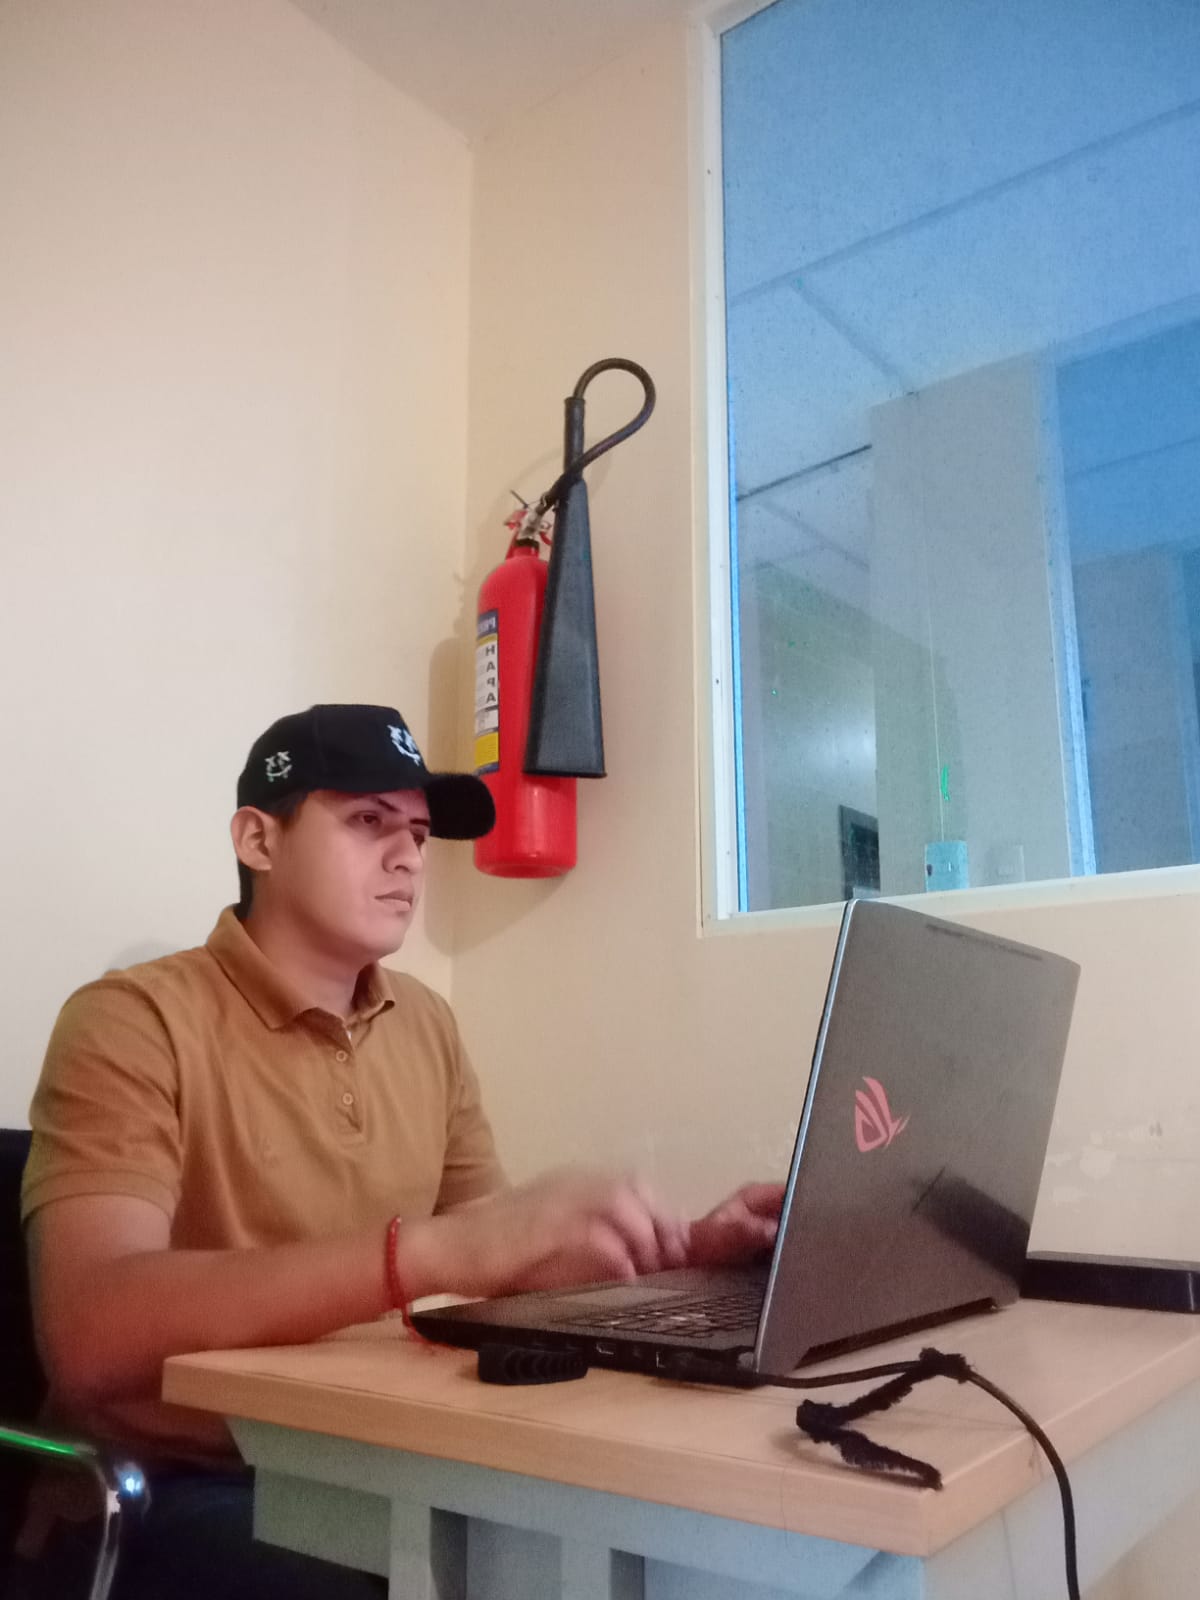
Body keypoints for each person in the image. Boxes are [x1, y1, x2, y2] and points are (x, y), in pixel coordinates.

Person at [7, 703, 783, 1600]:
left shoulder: (425, 1023)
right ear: (258, 839)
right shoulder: (131, 1020)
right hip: (173, 1484)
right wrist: (436, 1249)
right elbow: (90, 1335)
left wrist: (680, 1252)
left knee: (660, 1552)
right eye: (369, 821)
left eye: (416, 833)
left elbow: (500, 1271)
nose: (410, 856)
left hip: (384, 1461)